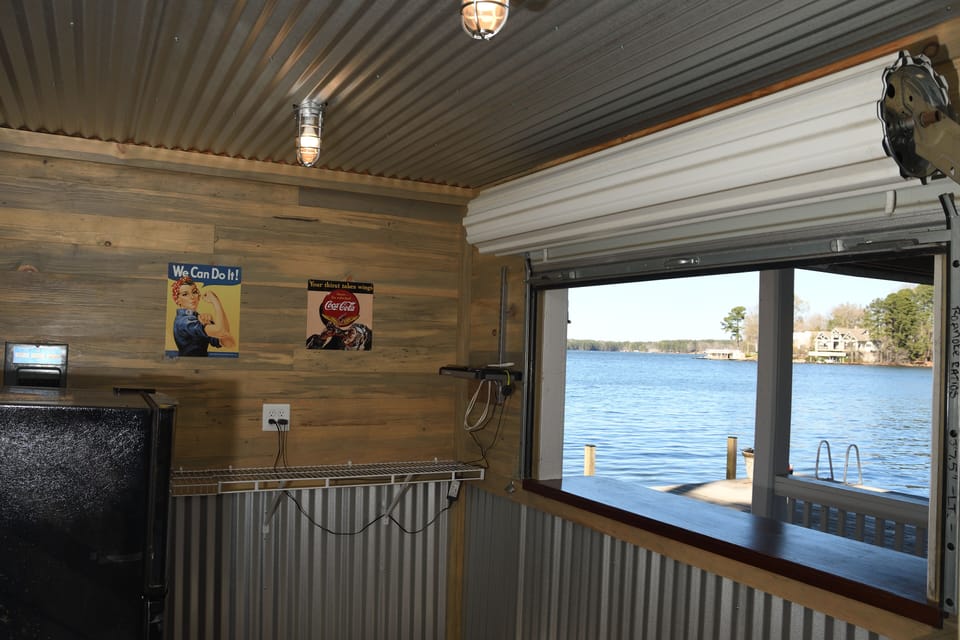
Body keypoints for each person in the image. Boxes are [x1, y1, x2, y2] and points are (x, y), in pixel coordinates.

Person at [171, 275, 236, 356]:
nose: (192, 297)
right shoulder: (183, 321)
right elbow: (221, 331)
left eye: (194, 292)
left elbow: (229, 343)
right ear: (177, 300)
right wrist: (215, 301)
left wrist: (210, 324)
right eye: (185, 294)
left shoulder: (197, 319)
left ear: (198, 296)